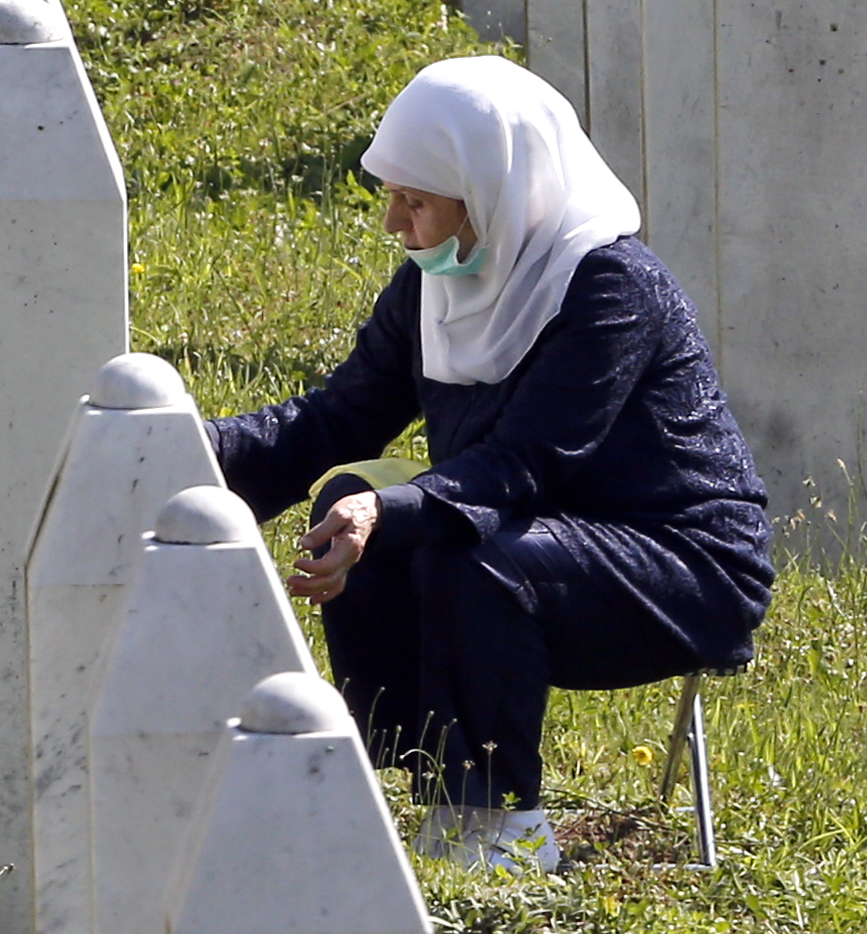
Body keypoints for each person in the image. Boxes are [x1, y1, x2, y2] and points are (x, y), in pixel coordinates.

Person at [205, 58, 773, 876]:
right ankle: (421, 781)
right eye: (393, 197)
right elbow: (331, 422)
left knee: (459, 548)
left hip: (681, 565)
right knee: (356, 491)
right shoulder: (432, 288)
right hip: (532, 537)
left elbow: (522, 464)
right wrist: (185, 451)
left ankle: (502, 830)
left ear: (490, 192)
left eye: (417, 201)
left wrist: (384, 513)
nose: (397, 224)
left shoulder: (609, 288)